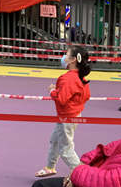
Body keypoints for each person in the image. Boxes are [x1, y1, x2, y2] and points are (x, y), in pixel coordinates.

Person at [35, 46, 92, 178]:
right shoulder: (81, 77)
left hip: (67, 117)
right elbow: (86, 96)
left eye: (66, 54)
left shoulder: (67, 78)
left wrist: (52, 91)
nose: (64, 57)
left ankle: (84, 174)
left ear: (73, 59)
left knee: (65, 149)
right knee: (55, 140)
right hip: (73, 115)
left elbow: (61, 99)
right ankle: (50, 166)